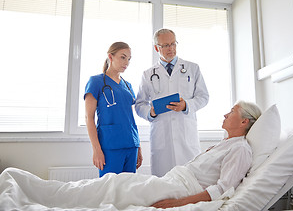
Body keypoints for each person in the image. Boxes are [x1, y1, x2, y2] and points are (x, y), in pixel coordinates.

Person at [0, 101, 261, 210]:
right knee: (111, 183)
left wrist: (176, 203)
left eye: (232, 112)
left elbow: (223, 189)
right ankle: (39, 192)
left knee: (113, 185)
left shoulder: (240, 149)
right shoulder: (226, 143)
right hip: (172, 180)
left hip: (177, 189)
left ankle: (42, 197)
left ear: (245, 122)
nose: (226, 114)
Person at [135, 28, 209, 177]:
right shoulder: (148, 74)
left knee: (190, 181)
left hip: (185, 135)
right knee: (162, 184)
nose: (171, 48)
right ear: (157, 48)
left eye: (173, 44)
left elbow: (203, 97)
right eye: (166, 45)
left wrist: (186, 105)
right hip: (161, 137)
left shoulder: (192, 68)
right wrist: (151, 112)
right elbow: (139, 104)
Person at [84, 41, 142, 177]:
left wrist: (138, 146)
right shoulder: (96, 82)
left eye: (129, 59)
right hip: (110, 146)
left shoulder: (128, 85)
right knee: (109, 191)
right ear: (110, 57)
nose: (126, 62)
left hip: (131, 145)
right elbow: (89, 118)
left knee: (128, 190)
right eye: (123, 57)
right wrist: (96, 150)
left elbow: (130, 118)